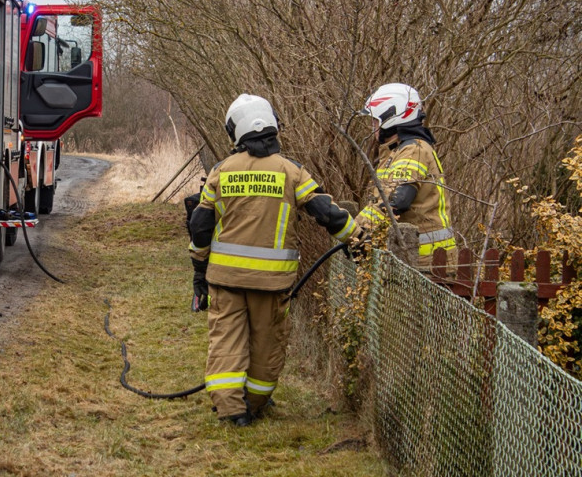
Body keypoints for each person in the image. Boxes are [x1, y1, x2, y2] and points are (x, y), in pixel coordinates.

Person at [189, 93, 363, 427]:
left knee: (225, 340)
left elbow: (200, 225)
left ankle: (230, 410)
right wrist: (357, 240)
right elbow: (327, 213)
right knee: (267, 346)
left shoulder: (220, 172)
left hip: (224, 279)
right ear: (272, 126)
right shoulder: (291, 172)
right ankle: (254, 405)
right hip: (271, 284)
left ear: (236, 130)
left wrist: (199, 268)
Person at [355, 83, 455, 267]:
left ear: (392, 118)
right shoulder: (396, 151)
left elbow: (395, 200)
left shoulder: (413, 151)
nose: (372, 126)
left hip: (428, 264)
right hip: (414, 261)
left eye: (375, 121)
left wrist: (355, 233)